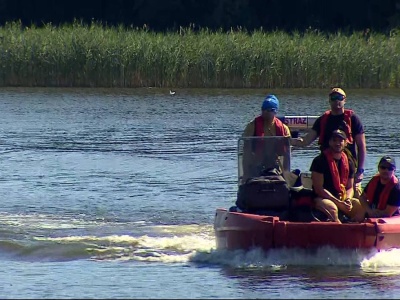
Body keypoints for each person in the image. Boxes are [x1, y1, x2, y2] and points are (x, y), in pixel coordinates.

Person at [292, 87, 366, 198]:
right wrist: (288, 140)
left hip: (349, 168)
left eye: (339, 97)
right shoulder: (322, 120)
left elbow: (362, 146)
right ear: (329, 100)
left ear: (344, 100)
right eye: (333, 97)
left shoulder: (353, 119)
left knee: (355, 196)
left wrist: (360, 171)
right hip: (327, 167)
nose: (337, 100)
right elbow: (306, 140)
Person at [309, 129, 364, 223]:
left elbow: (350, 187)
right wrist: (338, 203)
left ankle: (353, 230)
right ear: (330, 142)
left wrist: (348, 200)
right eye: (334, 140)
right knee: (333, 209)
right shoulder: (319, 161)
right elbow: (319, 189)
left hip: (342, 197)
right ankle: (339, 232)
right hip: (322, 198)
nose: (337, 143)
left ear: (346, 143)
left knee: (360, 207)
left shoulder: (349, 161)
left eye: (340, 140)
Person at [241, 94, 293, 181]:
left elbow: (287, 153)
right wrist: (246, 172)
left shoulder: (283, 128)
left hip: (275, 166)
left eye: (269, 110)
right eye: (263, 110)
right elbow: (246, 150)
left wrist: (286, 173)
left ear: (275, 111)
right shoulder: (253, 125)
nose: (265, 113)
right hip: (256, 165)